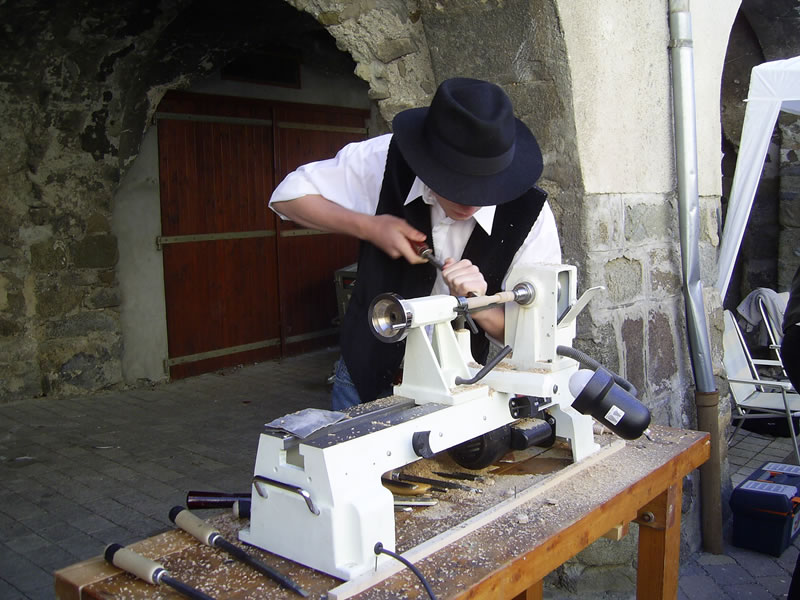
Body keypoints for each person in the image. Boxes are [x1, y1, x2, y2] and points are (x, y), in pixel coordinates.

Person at [269, 77, 561, 409]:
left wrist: (480, 305)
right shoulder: (386, 159)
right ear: (428, 161)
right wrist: (370, 227)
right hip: (364, 376)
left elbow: (540, 341)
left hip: (460, 386)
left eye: (484, 190)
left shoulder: (530, 214)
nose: (469, 204)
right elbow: (287, 198)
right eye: (455, 185)